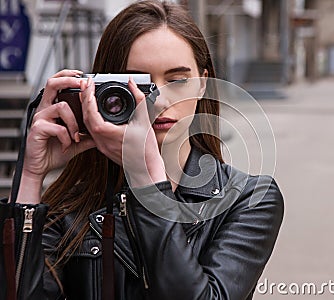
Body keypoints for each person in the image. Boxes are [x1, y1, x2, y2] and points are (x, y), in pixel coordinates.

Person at [0, 1, 284, 299]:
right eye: (137, 84)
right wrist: (31, 177)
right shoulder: (72, 208)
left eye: (177, 80)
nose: (158, 101)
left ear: (203, 83)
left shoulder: (247, 200)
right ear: (104, 91)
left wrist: (147, 183)